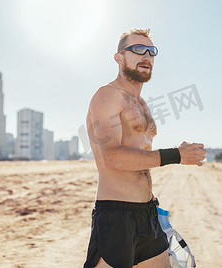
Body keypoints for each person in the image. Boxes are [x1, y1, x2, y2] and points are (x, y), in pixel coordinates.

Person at [83, 28, 206, 268]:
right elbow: (113, 157)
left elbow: (140, 154)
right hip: (116, 215)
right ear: (119, 58)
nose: (147, 56)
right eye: (138, 50)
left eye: (151, 51)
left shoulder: (142, 104)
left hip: (147, 213)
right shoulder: (107, 95)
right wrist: (177, 155)